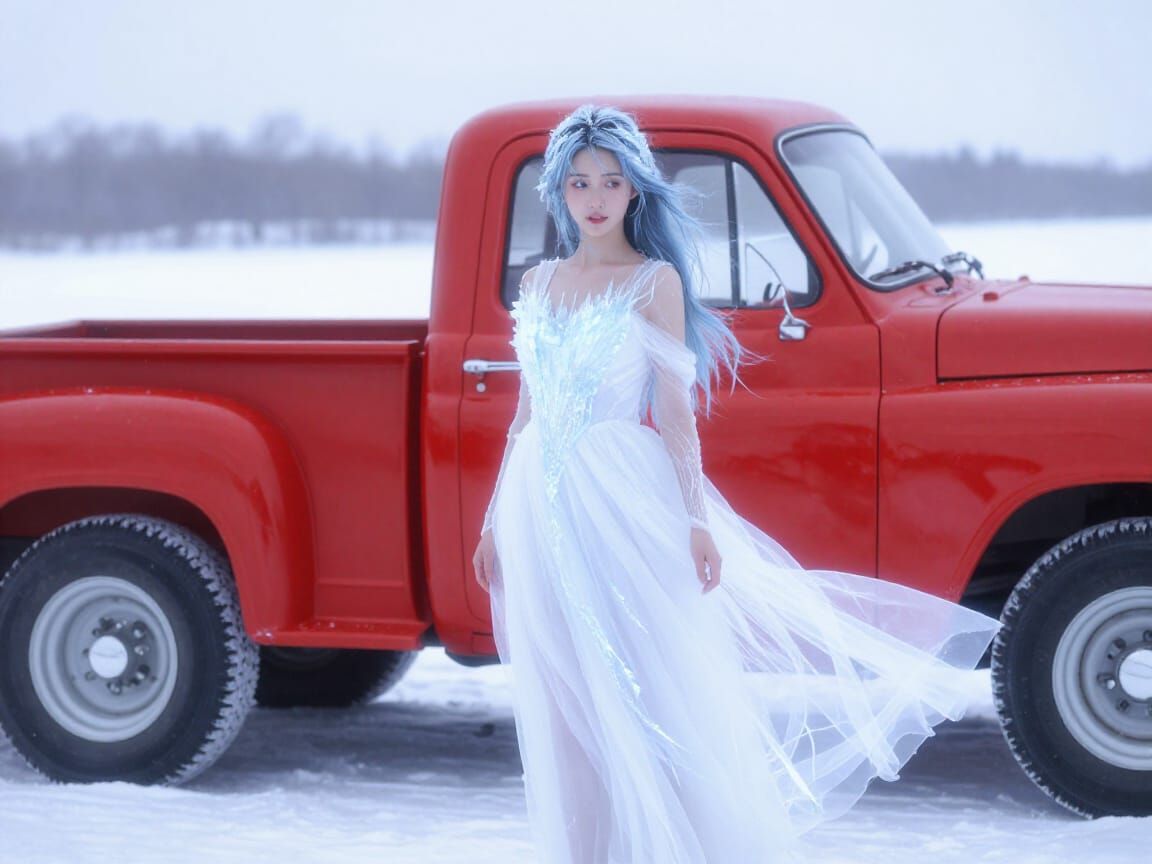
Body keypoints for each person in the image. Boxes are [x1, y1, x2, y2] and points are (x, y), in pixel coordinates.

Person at [471, 103, 1001, 864]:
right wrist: (493, 520)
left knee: (641, 682)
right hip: (536, 504)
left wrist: (695, 519)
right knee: (562, 695)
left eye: (611, 182)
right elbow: (526, 413)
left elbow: (677, 413)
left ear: (633, 192)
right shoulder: (542, 278)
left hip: (622, 495)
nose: (594, 197)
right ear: (558, 188)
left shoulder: (651, 281)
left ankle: (670, 846)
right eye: (580, 181)